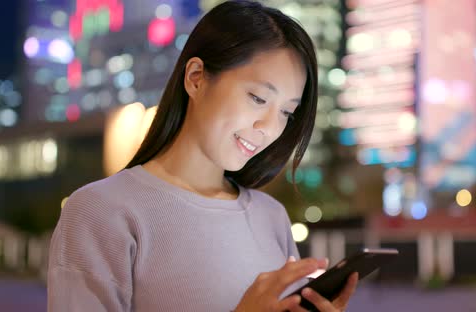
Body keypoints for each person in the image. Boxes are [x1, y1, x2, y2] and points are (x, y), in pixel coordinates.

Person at [47, 1, 359, 311]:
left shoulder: (271, 216)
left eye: (287, 113)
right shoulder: (100, 212)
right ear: (196, 77)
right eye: (258, 98)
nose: (269, 127)